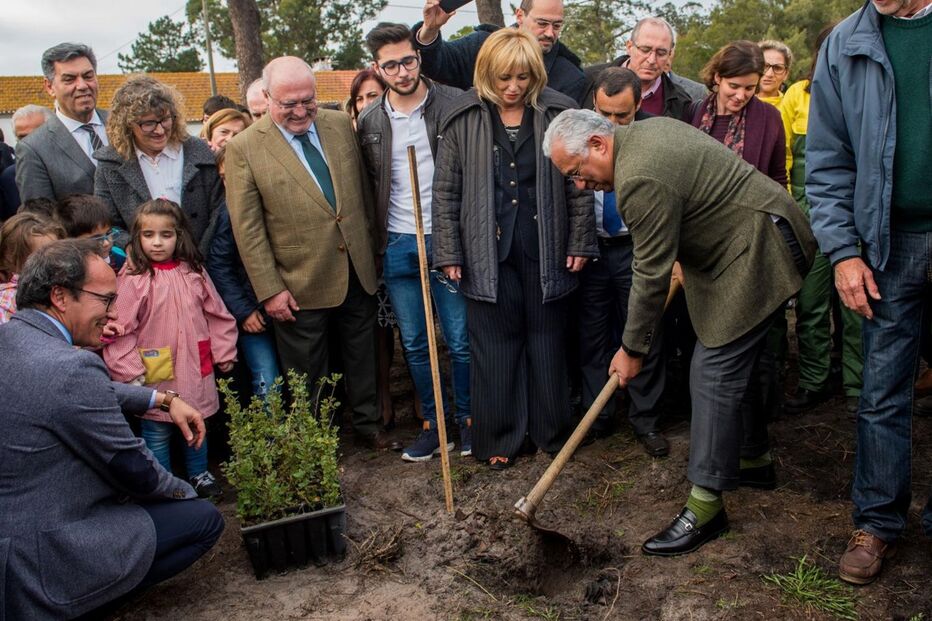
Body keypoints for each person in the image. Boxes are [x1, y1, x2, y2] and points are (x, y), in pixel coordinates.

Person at [544, 109, 816, 555]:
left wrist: (633, 348)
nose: (579, 184)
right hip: (744, 240)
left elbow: (648, 275)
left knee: (713, 372)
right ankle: (753, 458)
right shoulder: (644, 135)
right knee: (731, 355)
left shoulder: (639, 177)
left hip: (762, 246)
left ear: (597, 144)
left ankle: (706, 506)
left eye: (577, 172)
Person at [0, 239, 223, 620]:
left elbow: (67, 391)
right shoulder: (69, 368)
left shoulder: (14, 338)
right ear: (60, 296)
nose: (114, 312)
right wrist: (182, 492)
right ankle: (81, 605)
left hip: (15, 533)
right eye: (105, 300)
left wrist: (158, 399)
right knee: (203, 520)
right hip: (45, 554)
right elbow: (131, 466)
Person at [806, 0, 932, 585]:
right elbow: (827, 162)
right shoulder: (846, 44)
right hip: (889, 244)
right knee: (881, 391)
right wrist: (844, 252)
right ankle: (877, 523)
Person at [432, 29, 596, 469]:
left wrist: (581, 238)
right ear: (486, 74)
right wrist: (448, 252)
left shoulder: (560, 112)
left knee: (547, 342)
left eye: (523, 77)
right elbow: (446, 193)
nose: (513, 87)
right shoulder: (461, 117)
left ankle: (552, 433)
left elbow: (581, 186)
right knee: (494, 346)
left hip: (548, 247)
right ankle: (500, 438)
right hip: (485, 252)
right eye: (504, 77)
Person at [225, 57, 396, 450]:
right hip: (296, 280)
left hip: (356, 267)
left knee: (363, 354)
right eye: (289, 104)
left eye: (308, 101)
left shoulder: (338, 126)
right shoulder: (245, 149)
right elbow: (248, 229)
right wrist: (269, 289)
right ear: (267, 98)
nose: (301, 111)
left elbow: (363, 195)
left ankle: (369, 427)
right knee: (308, 369)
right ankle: (321, 441)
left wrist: (373, 251)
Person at [358, 23, 471, 461]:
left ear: (418, 57)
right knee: (416, 344)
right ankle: (433, 424)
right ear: (377, 67)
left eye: (408, 60)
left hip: (446, 238)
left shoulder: (453, 104)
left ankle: (469, 420)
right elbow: (369, 185)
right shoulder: (370, 121)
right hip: (400, 243)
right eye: (391, 65)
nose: (402, 71)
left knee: (459, 339)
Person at [104, 199, 237, 499]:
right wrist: (131, 372)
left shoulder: (194, 272)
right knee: (157, 429)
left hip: (193, 365)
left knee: (195, 421)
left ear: (179, 235)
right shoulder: (134, 278)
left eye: (166, 234)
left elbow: (216, 314)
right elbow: (119, 329)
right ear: (137, 237)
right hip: (154, 370)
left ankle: (199, 473)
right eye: (148, 235)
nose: (157, 242)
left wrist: (224, 350)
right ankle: (164, 483)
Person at [575, 67, 668, 454]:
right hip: (591, 249)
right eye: (605, 114)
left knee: (645, 331)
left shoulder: (653, 137)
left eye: (622, 116)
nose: (611, 124)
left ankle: (646, 420)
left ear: (639, 105)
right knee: (593, 334)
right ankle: (600, 415)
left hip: (637, 246)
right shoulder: (576, 135)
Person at [779, 26, 862, 415]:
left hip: (859, 213)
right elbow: (788, 161)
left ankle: (856, 382)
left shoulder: (866, 91)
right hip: (810, 213)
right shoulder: (798, 94)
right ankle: (814, 380)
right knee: (811, 304)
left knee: (856, 304)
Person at [95, 76, 224, 254]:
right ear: (127, 124)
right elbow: (108, 224)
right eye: (148, 124)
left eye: (165, 119)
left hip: (204, 262)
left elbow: (219, 213)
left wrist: (198, 255)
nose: (160, 130)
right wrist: (136, 249)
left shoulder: (200, 152)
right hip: (144, 271)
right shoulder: (110, 163)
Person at [208, 147, 281, 400]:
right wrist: (244, 311)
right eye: (224, 177)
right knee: (266, 377)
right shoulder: (225, 215)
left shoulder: (275, 205)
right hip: (251, 315)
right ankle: (271, 436)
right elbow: (220, 266)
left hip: (286, 310)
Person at [413, 0, 588, 105]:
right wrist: (430, 29)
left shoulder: (570, 78)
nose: (550, 33)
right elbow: (438, 65)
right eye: (542, 23)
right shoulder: (481, 46)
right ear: (520, 16)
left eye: (557, 26)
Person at [15, 43, 109, 202]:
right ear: (49, 87)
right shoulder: (34, 149)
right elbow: (40, 218)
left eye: (88, 76)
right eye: (69, 79)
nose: (82, 86)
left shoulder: (125, 124)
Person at [583, 17, 695, 119]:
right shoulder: (588, 80)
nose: (651, 60)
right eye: (645, 50)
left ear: (670, 54)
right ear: (629, 46)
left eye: (661, 53)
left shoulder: (680, 102)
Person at [0, 213, 64, 323]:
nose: (55, 261)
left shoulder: (61, 285)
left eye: (58, 252)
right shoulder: (8, 299)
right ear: (11, 259)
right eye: (43, 256)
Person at [55, 193, 127, 271]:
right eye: (96, 238)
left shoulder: (120, 259)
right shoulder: (63, 272)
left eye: (108, 233)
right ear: (68, 240)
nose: (106, 243)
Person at [2, 106, 52, 219]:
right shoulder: (9, 178)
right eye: (23, 137)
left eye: (36, 136)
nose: (29, 143)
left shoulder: (72, 169)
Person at [757, 40, 793, 107]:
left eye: (777, 68)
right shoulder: (739, 103)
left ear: (786, 74)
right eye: (764, 66)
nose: (769, 74)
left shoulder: (791, 108)